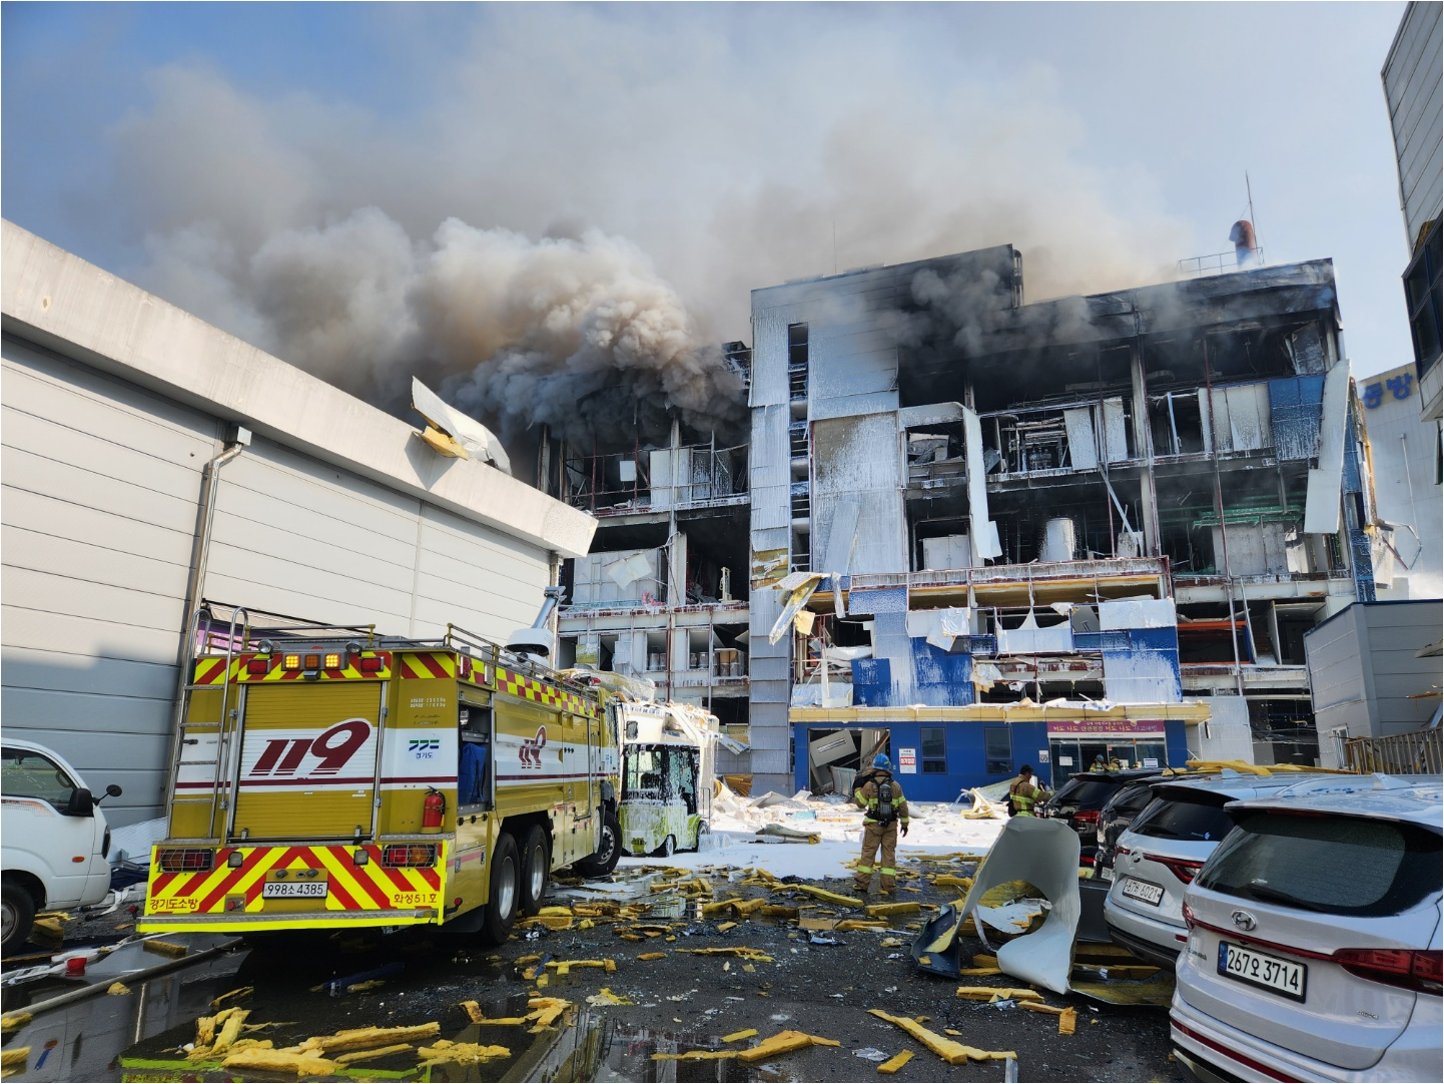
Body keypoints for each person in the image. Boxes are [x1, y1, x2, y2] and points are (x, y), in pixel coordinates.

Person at [852, 753, 910, 896]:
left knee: (868, 854)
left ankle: (862, 884)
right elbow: (903, 806)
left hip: (873, 826)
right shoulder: (895, 786)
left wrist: (857, 789)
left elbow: (860, 803)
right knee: (889, 855)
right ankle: (888, 886)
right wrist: (905, 824)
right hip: (890, 826)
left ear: (875, 768)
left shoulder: (869, 785)